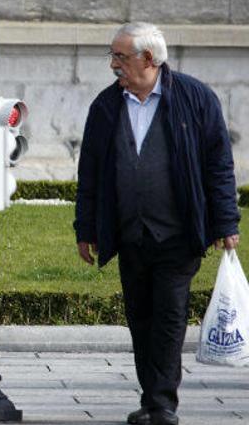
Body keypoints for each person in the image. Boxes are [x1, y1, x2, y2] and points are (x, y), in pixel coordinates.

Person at [74, 22, 241, 425]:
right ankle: (151, 399)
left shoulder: (195, 98)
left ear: (148, 59)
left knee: (168, 316)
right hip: (130, 233)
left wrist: (225, 222)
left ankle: (163, 404)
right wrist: (86, 229)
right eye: (112, 56)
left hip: (178, 235)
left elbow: (218, 164)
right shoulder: (105, 106)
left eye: (120, 56)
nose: (113, 64)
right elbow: (90, 172)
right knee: (141, 319)